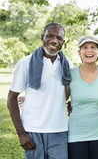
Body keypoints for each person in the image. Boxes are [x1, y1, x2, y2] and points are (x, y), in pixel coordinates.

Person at [7, 23, 73, 159]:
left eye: (59, 38)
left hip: (59, 130)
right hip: (32, 131)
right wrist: (21, 134)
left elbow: (68, 94)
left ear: (63, 42)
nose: (54, 41)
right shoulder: (25, 63)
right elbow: (11, 98)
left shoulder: (68, 65)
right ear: (43, 37)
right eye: (50, 36)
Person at [65, 36, 98, 159]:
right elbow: (61, 99)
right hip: (76, 133)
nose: (89, 50)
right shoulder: (70, 74)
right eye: (85, 47)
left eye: (93, 47)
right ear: (79, 53)